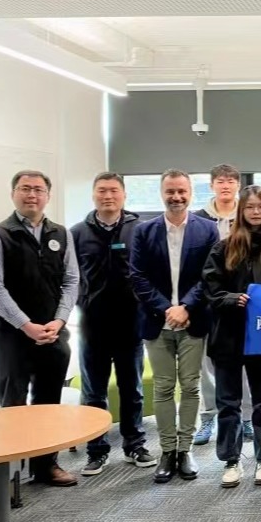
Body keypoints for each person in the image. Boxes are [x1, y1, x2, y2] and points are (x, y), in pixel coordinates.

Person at [0, 170, 80, 487]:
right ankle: (10, 476)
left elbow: (71, 281)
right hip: (12, 337)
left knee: (48, 403)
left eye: (38, 189)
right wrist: (25, 325)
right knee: (13, 404)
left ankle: (45, 466)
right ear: (13, 194)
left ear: (47, 196)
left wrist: (59, 320)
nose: (32, 195)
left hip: (53, 333)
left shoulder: (61, 234)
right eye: (25, 189)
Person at [130, 169, 219, 484]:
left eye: (182, 191)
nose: (176, 197)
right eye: (170, 191)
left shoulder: (208, 230)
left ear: (190, 193)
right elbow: (137, 276)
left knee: (191, 386)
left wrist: (186, 307)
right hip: (158, 322)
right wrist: (167, 308)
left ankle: (186, 449)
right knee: (164, 387)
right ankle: (168, 451)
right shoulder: (144, 231)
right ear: (162, 193)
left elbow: (210, 275)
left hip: (193, 321)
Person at [203, 185, 261, 488]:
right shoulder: (224, 247)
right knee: (228, 402)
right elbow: (211, 290)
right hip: (228, 334)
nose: (256, 212)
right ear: (241, 211)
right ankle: (231, 460)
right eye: (250, 207)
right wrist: (232, 299)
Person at [71, 172, 155, 476]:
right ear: (93, 195)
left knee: (132, 388)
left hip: (130, 322)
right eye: (102, 191)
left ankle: (135, 445)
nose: (108, 196)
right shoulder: (77, 233)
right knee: (93, 392)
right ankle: (96, 450)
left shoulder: (140, 229)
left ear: (124, 195)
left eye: (114, 191)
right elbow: (69, 277)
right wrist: (81, 301)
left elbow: (149, 271)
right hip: (92, 324)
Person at [194, 163, 245, 448]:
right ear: (212, 185)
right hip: (209, 301)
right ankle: (208, 416)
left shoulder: (247, 216)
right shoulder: (199, 219)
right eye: (220, 181)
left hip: (244, 302)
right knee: (207, 365)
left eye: (230, 181)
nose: (225, 186)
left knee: (246, 364)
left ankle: (246, 416)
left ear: (238, 185)